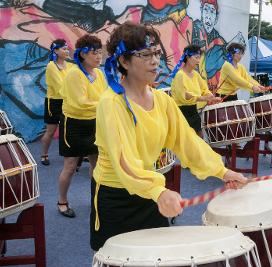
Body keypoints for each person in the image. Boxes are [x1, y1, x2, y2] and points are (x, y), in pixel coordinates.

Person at [90, 22, 248, 251]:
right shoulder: (111, 103)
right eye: (145, 55)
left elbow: (188, 142)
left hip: (150, 192)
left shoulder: (162, 100)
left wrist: (222, 171)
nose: (155, 60)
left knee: (155, 257)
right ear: (123, 61)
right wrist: (159, 190)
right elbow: (124, 161)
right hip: (117, 197)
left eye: (156, 53)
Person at [57, 34, 107, 218]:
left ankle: (95, 198)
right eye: (94, 53)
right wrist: (106, 103)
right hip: (74, 124)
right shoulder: (74, 74)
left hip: (94, 123)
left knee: (96, 162)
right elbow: (80, 102)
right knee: (70, 166)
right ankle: (62, 200)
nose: (98, 56)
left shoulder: (99, 73)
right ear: (83, 54)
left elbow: (105, 95)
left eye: (100, 52)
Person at [170, 44, 221, 135]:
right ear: (188, 58)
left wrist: (211, 97)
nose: (198, 61)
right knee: (187, 142)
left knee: (199, 139)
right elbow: (184, 95)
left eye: (199, 58)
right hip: (182, 112)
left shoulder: (195, 74)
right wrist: (203, 98)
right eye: (196, 57)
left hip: (193, 111)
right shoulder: (180, 75)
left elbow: (204, 89)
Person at [40, 39, 73, 166]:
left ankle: (78, 154)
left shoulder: (70, 66)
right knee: (51, 131)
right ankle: (44, 154)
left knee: (70, 130)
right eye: (64, 49)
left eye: (67, 48)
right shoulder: (51, 66)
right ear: (56, 50)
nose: (67, 51)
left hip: (68, 101)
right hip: (54, 103)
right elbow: (61, 87)